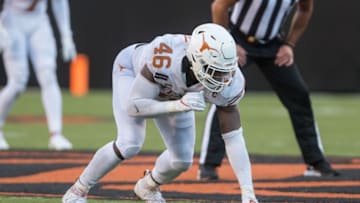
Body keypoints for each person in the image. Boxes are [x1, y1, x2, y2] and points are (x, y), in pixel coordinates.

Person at [62, 23, 259, 203]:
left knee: (181, 160)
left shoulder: (229, 81)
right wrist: (178, 105)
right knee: (130, 143)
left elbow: (233, 138)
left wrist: (247, 192)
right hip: (133, 72)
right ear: (196, 61)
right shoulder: (164, 57)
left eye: (226, 70)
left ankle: (147, 187)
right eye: (215, 71)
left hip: (177, 93)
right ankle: (78, 190)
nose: (224, 78)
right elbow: (135, 106)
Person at [198, 0, 339, 181]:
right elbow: (219, 6)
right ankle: (208, 165)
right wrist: (228, 42)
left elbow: (305, 9)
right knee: (224, 95)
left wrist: (289, 44)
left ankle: (316, 161)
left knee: (299, 95)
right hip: (239, 39)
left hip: (272, 44)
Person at [0, 0, 77, 150]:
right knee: (17, 82)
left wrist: (66, 35)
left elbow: (59, 2)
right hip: (12, 18)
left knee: (48, 75)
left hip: (39, 19)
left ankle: (56, 134)